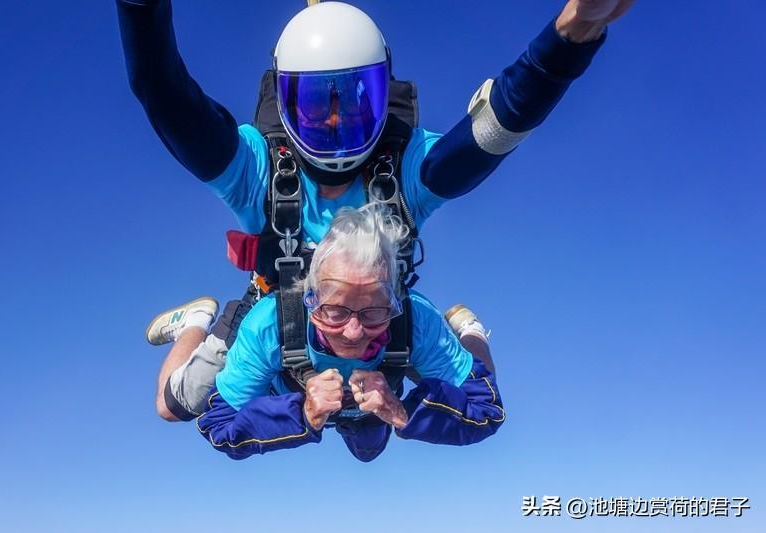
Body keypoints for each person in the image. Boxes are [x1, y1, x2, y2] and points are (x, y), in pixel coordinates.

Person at [116, 0, 635, 421]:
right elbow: (163, 93)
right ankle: (198, 318)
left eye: (357, 101)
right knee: (174, 406)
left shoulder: (403, 166)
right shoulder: (259, 169)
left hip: (376, 325)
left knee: (380, 435)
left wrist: (572, 34)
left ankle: (468, 331)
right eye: (317, 107)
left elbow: (494, 130)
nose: (338, 124)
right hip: (275, 315)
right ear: (287, 101)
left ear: (384, 95)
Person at [197, 204, 505, 461]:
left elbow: (485, 410)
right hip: (290, 391)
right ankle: (193, 323)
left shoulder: (416, 319)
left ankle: (470, 331)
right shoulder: (269, 323)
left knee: (368, 451)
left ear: (394, 302)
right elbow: (219, 424)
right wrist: (300, 414)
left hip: (376, 399)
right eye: (335, 312)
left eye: (374, 313)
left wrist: (401, 412)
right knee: (172, 405)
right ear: (310, 298)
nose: (354, 333)